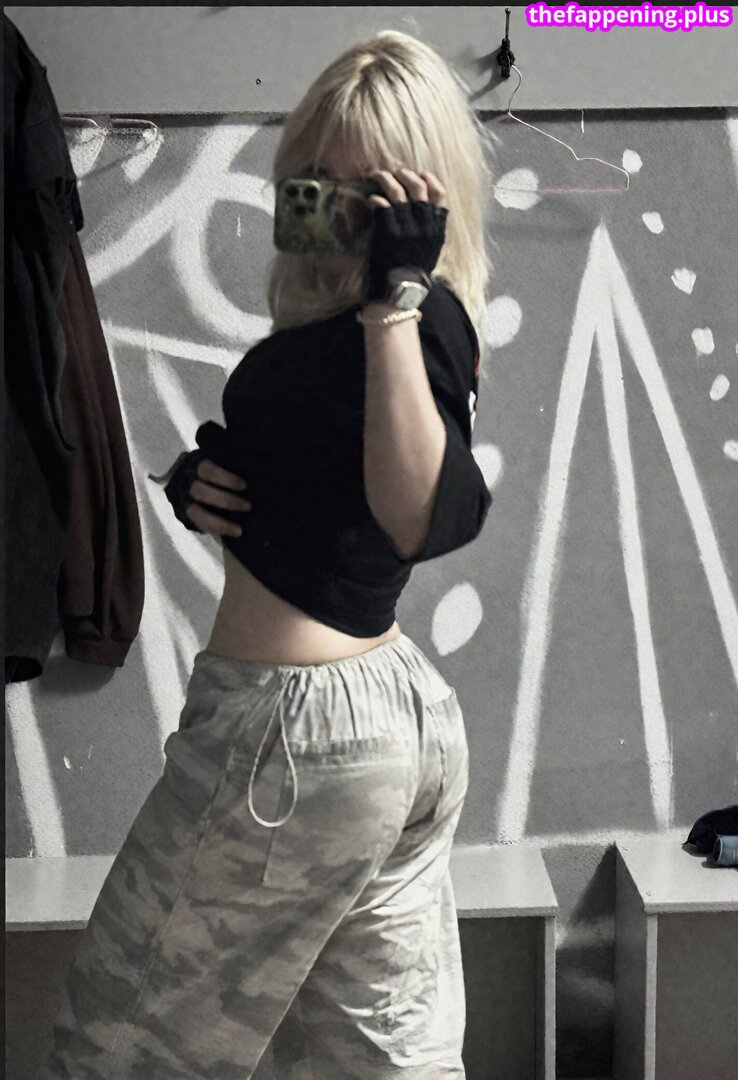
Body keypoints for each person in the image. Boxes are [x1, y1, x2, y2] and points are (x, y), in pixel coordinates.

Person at [43, 29, 497, 1080]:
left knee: (114, 1047)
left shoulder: (413, 320)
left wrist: (395, 299)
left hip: (292, 740)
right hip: (381, 726)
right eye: (315, 177)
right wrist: (211, 486)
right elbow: (340, 495)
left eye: (368, 190)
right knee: (372, 1061)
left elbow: (419, 515)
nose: (333, 205)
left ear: (421, 198)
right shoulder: (357, 321)